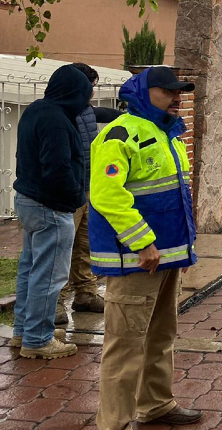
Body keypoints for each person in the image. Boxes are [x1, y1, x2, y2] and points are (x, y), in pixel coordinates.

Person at [90, 66, 202, 430]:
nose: (177, 98)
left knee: (161, 336)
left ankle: (155, 404)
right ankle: (115, 423)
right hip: (136, 261)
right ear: (143, 92)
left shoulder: (168, 134)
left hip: (165, 259)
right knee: (125, 346)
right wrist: (143, 242)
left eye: (179, 92)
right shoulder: (120, 134)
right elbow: (107, 195)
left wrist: (184, 251)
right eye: (168, 91)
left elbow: (176, 199)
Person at [10, 64, 92, 359]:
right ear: (75, 92)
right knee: (49, 275)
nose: (88, 100)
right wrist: (74, 196)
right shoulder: (57, 120)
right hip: (50, 207)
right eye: (86, 93)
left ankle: (24, 331)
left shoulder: (36, 110)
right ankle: (38, 339)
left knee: (30, 269)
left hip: (28, 200)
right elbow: (57, 167)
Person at [54, 62, 122, 324]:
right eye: (90, 87)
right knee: (62, 249)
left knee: (85, 246)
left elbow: (104, 113)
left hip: (87, 190)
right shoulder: (62, 113)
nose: (92, 93)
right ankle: (56, 302)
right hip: (67, 194)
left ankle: (85, 294)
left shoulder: (84, 111)